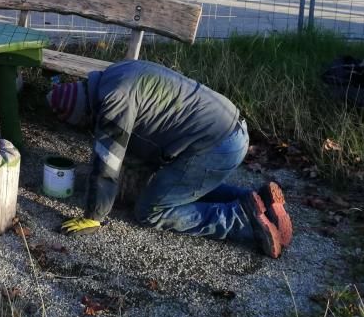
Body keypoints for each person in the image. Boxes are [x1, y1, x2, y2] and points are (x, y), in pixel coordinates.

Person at [48, 60, 293, 258]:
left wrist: (94, 216)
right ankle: (257, 201)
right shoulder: (115, 73)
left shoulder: (114, 103)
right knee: (178, 188)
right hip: (226, 126)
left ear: (85, 114)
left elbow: (107, 164)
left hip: (216, 146)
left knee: (150, 211)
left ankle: (241, 219)